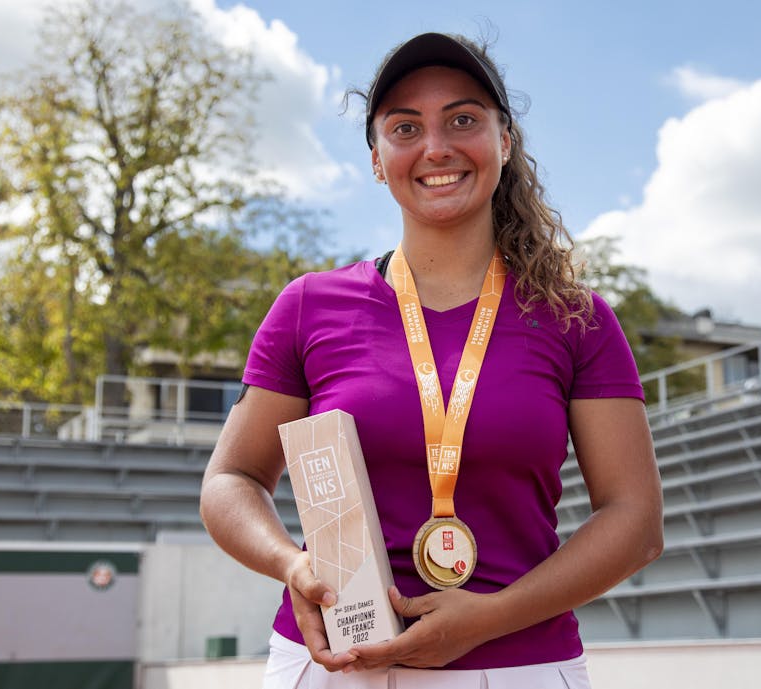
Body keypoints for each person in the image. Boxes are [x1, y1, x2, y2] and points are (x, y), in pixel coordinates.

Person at [200, 31, 663, 688]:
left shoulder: (575, 317)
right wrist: (290, 564)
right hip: (334, 661)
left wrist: (488, 618)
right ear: (377, 159)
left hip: (518, 666)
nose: (436, 146)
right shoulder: (308, 305)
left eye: (463, 119)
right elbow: (230, 481)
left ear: (505, 141)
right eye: (405, 126)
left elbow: (635, 520)